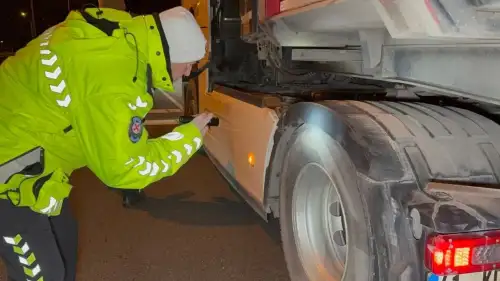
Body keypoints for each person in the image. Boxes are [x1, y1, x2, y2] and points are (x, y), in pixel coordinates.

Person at [0, 6, 212, 281]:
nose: (187, 73)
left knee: (64, 253)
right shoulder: (111, 79)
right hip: (9, 176)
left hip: (38, 168)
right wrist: (189, 138)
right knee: (45, 274)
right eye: (188, 63)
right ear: (171, 52)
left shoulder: (123, 38)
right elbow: (126, 169)